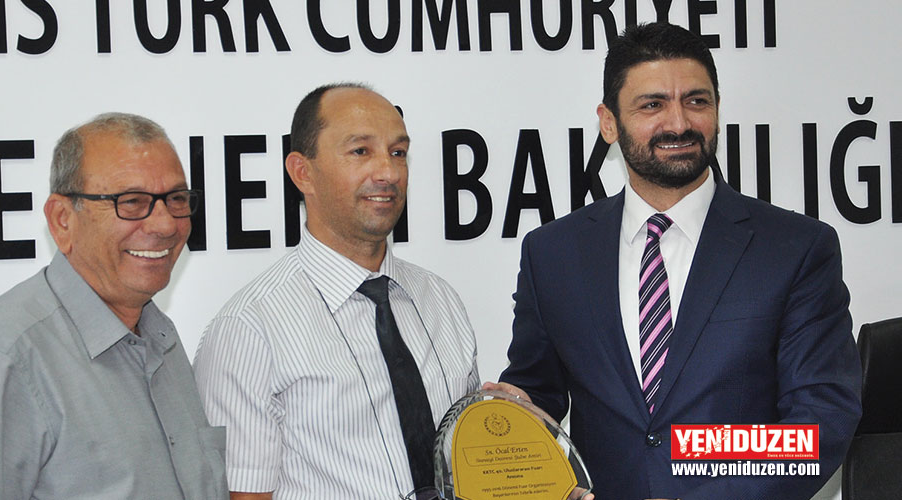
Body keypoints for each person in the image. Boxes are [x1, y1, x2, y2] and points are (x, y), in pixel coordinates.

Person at [490, 22, 862, 500]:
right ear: (609, 122)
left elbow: (819, 420)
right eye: (652, 105)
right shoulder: (552, 253)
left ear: (717, 109)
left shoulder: (796, 248)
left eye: (696, 101)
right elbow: (537, 392)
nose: (679, 123)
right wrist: (513, 417)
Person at [0, 113, 227, 499]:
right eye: (132, 202)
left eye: (177, 199)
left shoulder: (158, 337)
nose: (165, 225)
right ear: (62, 220)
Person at [194, 83, 479, 499]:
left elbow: (469, 465)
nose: (388, 172)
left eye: (398, 152)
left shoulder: (440, 300)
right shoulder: (248, 330)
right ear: (302, 172)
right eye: (361, 151)